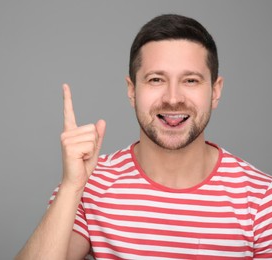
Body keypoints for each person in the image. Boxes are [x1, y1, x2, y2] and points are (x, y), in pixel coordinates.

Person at [15, 14, 272, 259]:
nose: (173, 98)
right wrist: (72, 187)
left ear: (215, 91)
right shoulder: (88, 185)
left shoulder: (261, 199)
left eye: (191, 81)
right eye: (156, 79)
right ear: (132, 90)